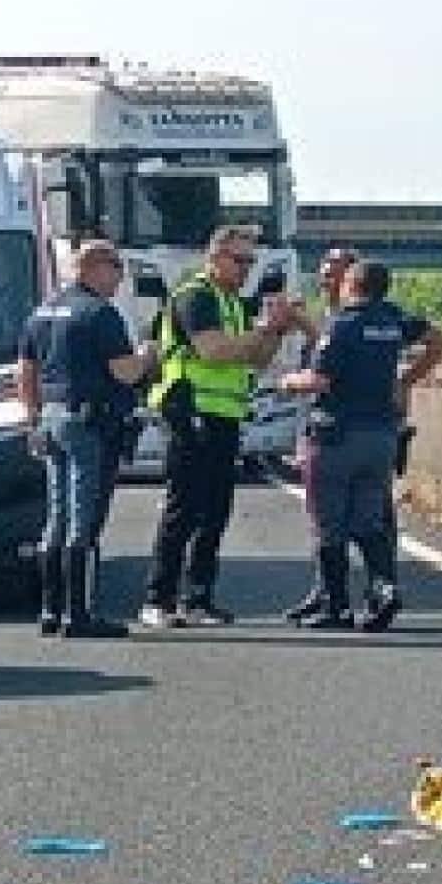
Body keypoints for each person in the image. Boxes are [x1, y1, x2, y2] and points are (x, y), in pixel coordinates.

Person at [138, 224, 306, 627]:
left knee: (216, 510)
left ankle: (199, 596)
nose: (247, 268)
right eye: (239, 260)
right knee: (184, 506)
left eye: (251, 261)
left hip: (225, 415)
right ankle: (158, 598)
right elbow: (213, 351)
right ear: (214, 258)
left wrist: (276, 329)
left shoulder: (232, 302)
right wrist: (263, 330)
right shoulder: (195, 296)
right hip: (191, 407)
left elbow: (258, 359)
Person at [281, 258, 442, 630]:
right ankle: (384, 589)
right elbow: (441, 340)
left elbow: (321, 380)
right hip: (381, 437)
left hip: (336, 437)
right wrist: (406, 380)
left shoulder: (342, 326)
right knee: (370, 520)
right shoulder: (392, 320)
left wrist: (290, 381)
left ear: (351, 286)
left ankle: (336, 606)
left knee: (328, 524)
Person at [16, 241, 155, 638]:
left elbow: (24, 373)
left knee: (55, 517)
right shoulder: (99, 314)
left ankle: (50, 610)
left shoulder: (43, 312)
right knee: (84, 518)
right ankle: (79, 614)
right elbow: (125, 372)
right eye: (117, 268)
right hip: (88, 422)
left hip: (51, 417)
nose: (120, 278)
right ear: (95, 267)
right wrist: (148, 356)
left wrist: (32, 420)